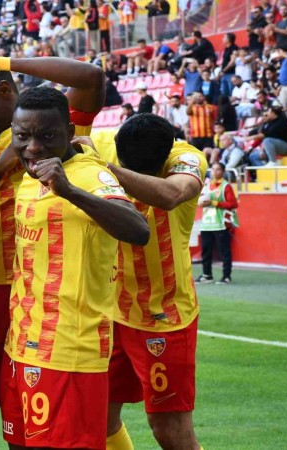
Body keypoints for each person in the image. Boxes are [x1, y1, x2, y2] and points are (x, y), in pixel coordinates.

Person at [0, 53, 106, 450]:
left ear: (4, 90)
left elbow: (91, 78)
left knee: (65, 417)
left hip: (52, 300)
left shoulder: (50, 129)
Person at [1, 86, 150, 450]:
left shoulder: (88, 175)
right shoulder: (27, 177)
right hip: (20, 344)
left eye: (47, 136)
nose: (33, 147)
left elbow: (138, 229)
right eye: (23, 136)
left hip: (69, 352)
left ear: (69, 133)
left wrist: (69, 191)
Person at [104, 113, 208, 450]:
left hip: (164, 316)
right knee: (99, 417)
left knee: (169, 430)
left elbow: (172, 194)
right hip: (112, 310)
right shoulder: (106, 143)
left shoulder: (187, 157)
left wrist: (109, 170)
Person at [197, 163, 239, 284]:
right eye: (213, 169)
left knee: (224, 251)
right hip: (206, 224)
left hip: (220, 224)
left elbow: (233, 204)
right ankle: (207, 275)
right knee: (206, 251)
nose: (214, 172)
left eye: (218, 169)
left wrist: (215, 203)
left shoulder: (226, 186)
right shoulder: (206, 185)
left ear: (223, 172)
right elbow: (201, 201)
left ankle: (226, 276)